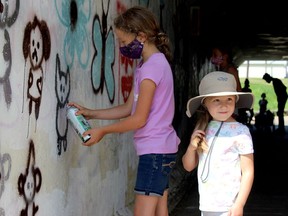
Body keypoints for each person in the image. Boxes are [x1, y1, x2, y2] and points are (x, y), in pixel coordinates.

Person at [69, 6, 180, 216]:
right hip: (162, 150)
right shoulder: (147, 65)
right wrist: (90, 113)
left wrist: (103, 131)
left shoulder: (151, 68)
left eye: (123, 41)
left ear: (141, 36)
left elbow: (138, 119)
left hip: (155, 154)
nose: (122, 46)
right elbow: (129, 108)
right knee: (160, 212)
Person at [183, 71, 254, 216]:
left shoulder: (241, 132)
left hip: (229, 207)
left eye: (229, 99)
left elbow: (248, 171)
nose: (224, 105)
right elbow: (188, 166)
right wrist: (191, 147)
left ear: (235, 100)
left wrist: (239, 204)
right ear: (205, 103)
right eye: (216, 100)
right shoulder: (202, 129)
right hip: (207, 206)